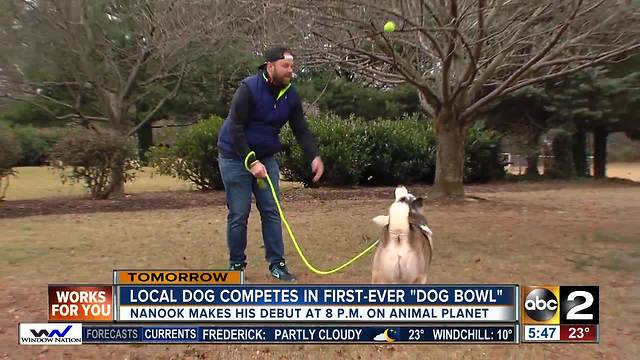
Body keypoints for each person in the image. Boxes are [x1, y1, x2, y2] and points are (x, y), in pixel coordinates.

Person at [217, 46, 324, 282]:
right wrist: (251, 162)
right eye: (285, 66)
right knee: (239, 213)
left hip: (266, 158)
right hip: (235, 157)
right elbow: (235, 128)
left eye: (292, 67)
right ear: (270, 66)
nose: (290, 71)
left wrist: (314, 156)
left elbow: (300, 129)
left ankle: (277, 265)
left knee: (271, 211)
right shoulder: (248, 89)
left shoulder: (290, 94)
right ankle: (237, 267)